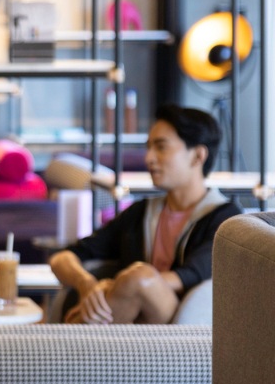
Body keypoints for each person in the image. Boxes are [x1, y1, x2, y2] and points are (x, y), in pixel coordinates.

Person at [50, 104, 241, 325]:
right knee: (136, 279)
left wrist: (115, 285)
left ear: (198, 156)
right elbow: (62, 258)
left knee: (141, 278)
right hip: (130, 324)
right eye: (149, 147)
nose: (149, 158)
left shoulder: (226, 219)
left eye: (161, 147)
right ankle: (73, 346)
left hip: (185, 333)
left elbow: (192, 275)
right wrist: (88, 286)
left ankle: (68, 344)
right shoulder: (141, 212)